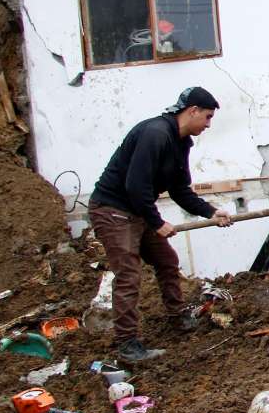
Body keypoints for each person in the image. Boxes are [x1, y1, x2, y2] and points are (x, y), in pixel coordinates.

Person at [88, 87, 233, 362]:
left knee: (167, 260)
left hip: (137, 210)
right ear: (192, 111)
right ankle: (127, 344)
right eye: (207, 117)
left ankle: (177, 318)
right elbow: (135, 185)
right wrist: (156, 223)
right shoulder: (155, 134)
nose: (208, 124)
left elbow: (180, 190)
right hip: (113, 210)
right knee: (129, 275)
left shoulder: (180, 143)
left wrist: (211, 211)